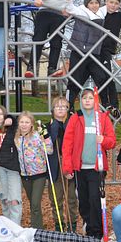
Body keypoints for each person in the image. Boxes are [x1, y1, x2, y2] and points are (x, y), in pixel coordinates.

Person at [26, 0, 96, 78]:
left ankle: (52, 68)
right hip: (45, 12)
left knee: (56, 41)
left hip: (59, 15)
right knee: (38, 39)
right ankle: (31, 67)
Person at [62, 87, 116, 240]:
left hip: (96, 167)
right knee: (84, 201)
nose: (87, 100)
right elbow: (67, 143)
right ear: (80, 100)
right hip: (80, 167)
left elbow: (111, 141)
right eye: (84, 98)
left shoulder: (102, 118)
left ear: (95, 100)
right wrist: (67, 166)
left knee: (95, 198)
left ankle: (96, 231)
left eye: (90, 98)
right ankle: (88, 222)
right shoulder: (75, 118)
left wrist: (103, 140)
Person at [64, 0, 108, 110]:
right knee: (74, 80)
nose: (94, 5)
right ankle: (69, 106)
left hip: (94, 52)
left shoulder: (101, 13)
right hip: (79, 51)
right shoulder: (80, 12)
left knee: (101, 78)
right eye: (91, 3)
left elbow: (112, 5)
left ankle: (106, 104)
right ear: (86, 4)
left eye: (96, 3)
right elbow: (69, 7)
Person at [43, 96, 77, 232]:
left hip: (69, 166)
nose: (61, 109)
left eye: (64, 107)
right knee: (56, 199)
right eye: (58, 106)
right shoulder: (47, 127)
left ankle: (72, 224)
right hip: (55, 167)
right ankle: (59, 225)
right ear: (53, 109)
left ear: (68, 109)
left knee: (71, 198)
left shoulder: (73, 125)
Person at [16, 111, 53, 229]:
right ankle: (37, 227)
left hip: (39, 174)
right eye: (22, 122)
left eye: (27, 122)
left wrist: (46, 137)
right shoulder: (17, 138)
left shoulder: (37, 136)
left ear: (32, 124)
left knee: (35, 204)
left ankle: (37, 230)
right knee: (33, 204)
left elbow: (49, 150)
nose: (24, 125)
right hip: (25, 175)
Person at [0, 105, 22, 224]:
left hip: (12, 167)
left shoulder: (11, 129)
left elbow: (16, 121)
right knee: (4, 199)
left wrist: (10, 117)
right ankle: (8, 224)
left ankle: (15, 227)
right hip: (0, 168)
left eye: (1, 114)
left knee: (14, 199)